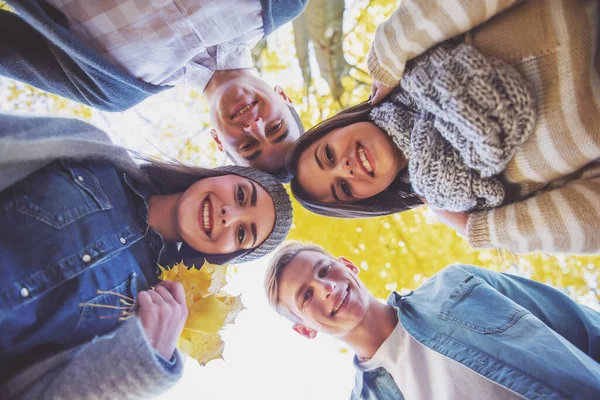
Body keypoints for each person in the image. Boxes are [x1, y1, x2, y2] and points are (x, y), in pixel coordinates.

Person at [0, 112, 293, 399]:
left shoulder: (147, 317)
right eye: (241, 195)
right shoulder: (90, 152)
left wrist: (148, 363)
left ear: (226, 256)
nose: (230, 215)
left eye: (242, 234)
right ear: (224, 174)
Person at [286, 0, 600, 254]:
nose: (344, 167)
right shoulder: (485, 203)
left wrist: (387, 55)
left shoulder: (409, 55)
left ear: (337, 127)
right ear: (369, 199)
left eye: (327, 155)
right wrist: (476, 231)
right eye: (343, 188)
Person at [0, 0, 306, 175]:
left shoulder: (111, 89)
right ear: (284, 96)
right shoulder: (284, 2)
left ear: (218, 141)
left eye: (247, 146)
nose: (254, 126)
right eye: (276, 127)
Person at [265, 241, 600, 400]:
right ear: (305, 329)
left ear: (349, 265)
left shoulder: (457, 285)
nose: (326, 288)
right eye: (306, 297)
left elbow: (579, 325)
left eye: (324, 271)